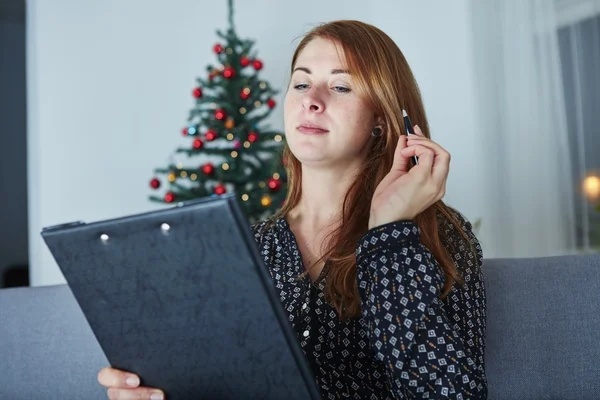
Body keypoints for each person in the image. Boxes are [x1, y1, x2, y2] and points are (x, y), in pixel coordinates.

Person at [98, 19, 487, 399]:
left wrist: (389, 230)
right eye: (301, 84)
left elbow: (449, 392)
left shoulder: (437, 235)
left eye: (339, 86)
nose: (311, 100)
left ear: (381, 122)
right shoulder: (243, 246)